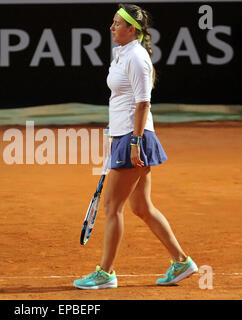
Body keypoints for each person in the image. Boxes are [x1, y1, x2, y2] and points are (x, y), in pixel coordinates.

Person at [73, 3, 198, 289]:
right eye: (113, 22)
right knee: (141, 206)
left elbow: (143, 103)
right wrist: (114, 136)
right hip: (125, 136)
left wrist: (132, 142)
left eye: (117, 23)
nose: (111, 27)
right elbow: (121, 102)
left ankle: (106, 273)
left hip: (135, 138)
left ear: (132, 29)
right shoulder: (122, 55)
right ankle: (181, 262)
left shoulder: (137, 57)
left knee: (112, 207)